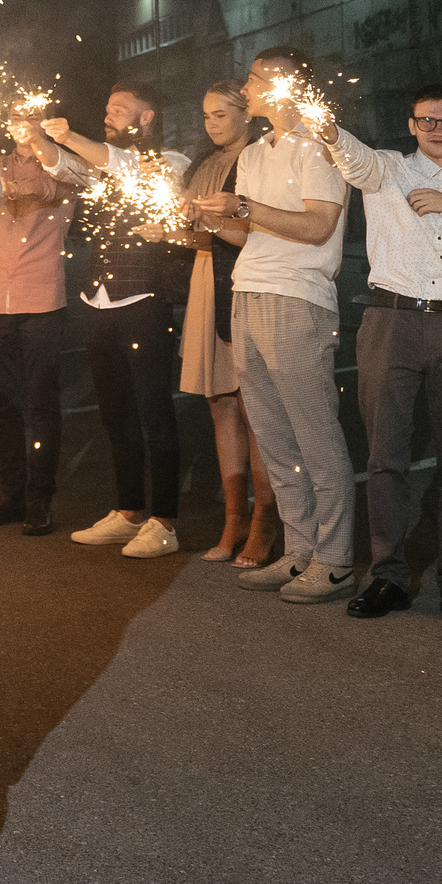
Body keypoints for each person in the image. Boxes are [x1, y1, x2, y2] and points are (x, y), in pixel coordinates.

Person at [325, 84, 442, 628]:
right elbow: (351, 157)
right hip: (391, 319)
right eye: (427, 120)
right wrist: (326, 129)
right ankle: (389, 575)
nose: (438, 128)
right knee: (386, 457)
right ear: (411, 125)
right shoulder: (387, 169)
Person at [188, 48, 356, 606]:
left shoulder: (320, 145)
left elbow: (316, 226)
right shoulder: (258, 151)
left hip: (298, 298)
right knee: (274, 434)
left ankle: (334, 560)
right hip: (248, 291)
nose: (248, 86)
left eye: (257, 78)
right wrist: (215, 219)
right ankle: (298, 548)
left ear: (284, 85)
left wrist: (244, 209)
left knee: (314, 432)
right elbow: (253, 235)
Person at [37, 84, 192, 560]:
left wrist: (69, 137)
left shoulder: (171, 161)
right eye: (106, 108)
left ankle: (165, 521)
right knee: (115, 413)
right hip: (99, 301)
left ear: (146, 119)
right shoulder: (101, 162)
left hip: (144, 300)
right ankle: (129, 512)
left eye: (119, 111)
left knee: (153, 412)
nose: (108, 116)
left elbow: (115, 164)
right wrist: (34, 139)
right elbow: (65, 165)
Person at [153, 82, 280, 564]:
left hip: (242, 282)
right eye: (206, 115)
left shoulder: (258, 159)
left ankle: (265, 515)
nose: (212, 124)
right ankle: (234, 515)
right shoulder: (206, 166)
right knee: (219, 402)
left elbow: (257, 236)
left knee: (253, 407)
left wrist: (205, 226)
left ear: (247, 114)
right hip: (209, 280)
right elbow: (197, 237)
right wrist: (169, 229)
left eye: (221, 114)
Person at [0, 105, 74, 533]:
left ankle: (39, 499)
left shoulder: (63, 167)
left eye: (30, 118)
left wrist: (41, 145)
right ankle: (10, 494)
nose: (20, 126)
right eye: (14, 118)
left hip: (41, 297)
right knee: (6, 403)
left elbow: (43, 191)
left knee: (41, 403)